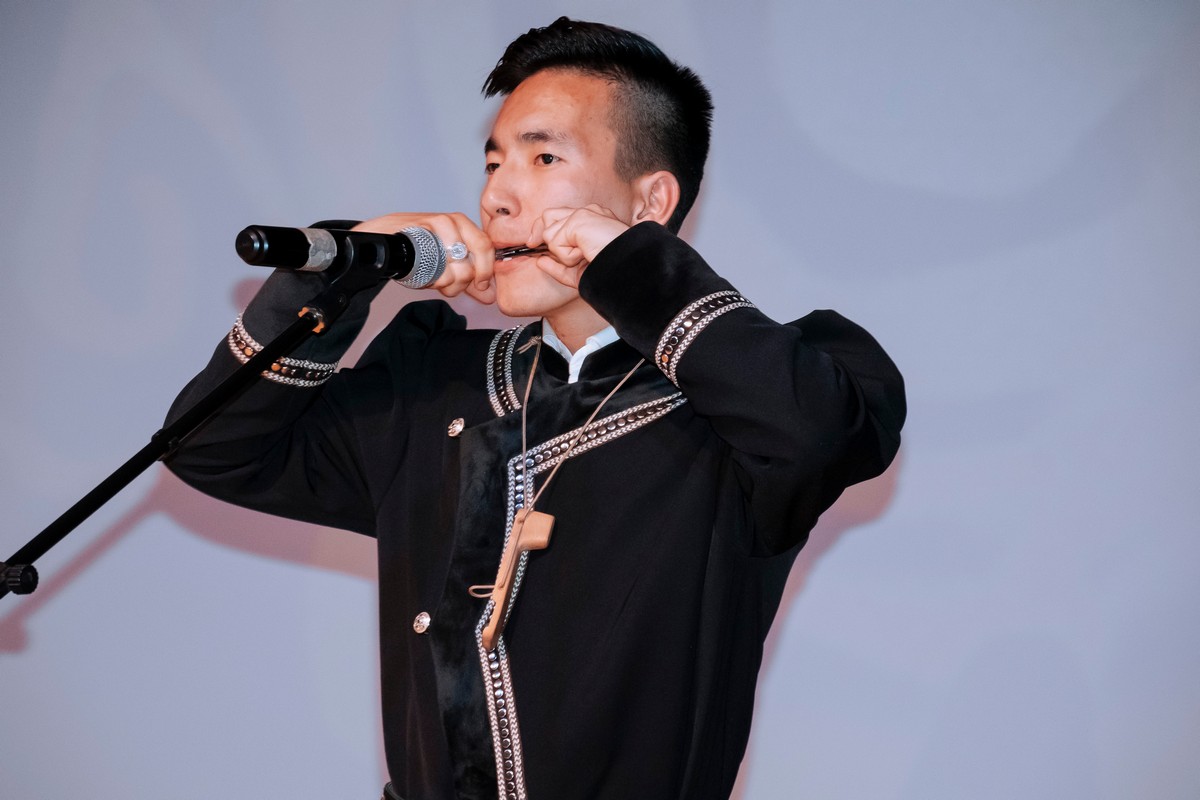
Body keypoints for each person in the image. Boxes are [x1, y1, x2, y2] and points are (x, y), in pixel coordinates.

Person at [166, 17, 905, 800]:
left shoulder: (750, 397)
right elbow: (212, 447)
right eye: (493, 163)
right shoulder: (436, 379)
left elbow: (821, 434)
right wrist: (340, 275)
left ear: (650, 202)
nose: (497, 196)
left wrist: (634, 267)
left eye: (543, 158)